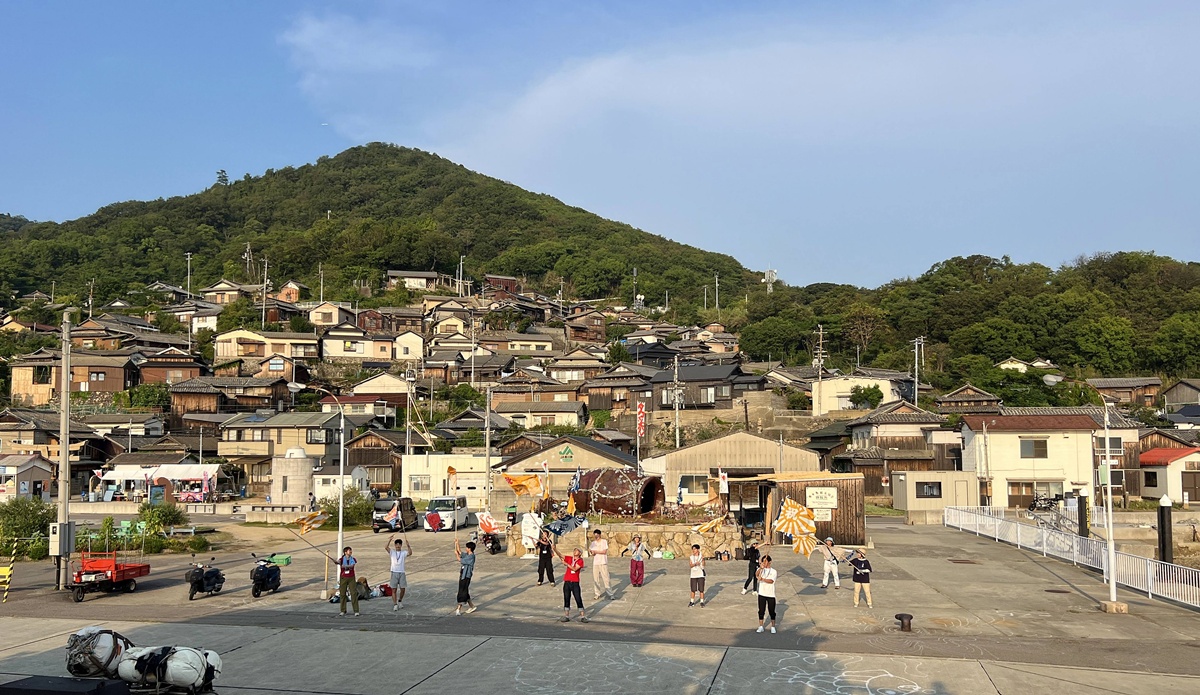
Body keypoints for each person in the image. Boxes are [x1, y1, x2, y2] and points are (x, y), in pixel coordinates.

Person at [553, 543, 589, 622]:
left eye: (577, 550)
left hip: (575, 582)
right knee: (566, 598)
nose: (575, 551)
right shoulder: (570, 558)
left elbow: (574, 569)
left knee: (578, 598)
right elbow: (561, 555)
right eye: (574, 550)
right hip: (567, 581)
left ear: (580, 553)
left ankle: (583, 616)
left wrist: (566, 564)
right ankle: (566, 615)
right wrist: (554, 549)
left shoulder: (580, 561)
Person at [386, 536, 411, 611]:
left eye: (399, 544)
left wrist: (408, 546)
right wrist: (389, 540)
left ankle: (400, 600)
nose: (398, 546)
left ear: (401, 545)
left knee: (403, 588)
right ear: (395, 545)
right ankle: (395, 604)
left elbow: (410, 553)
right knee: (394, 589)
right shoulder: (392, 552)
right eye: (396, 544)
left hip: (401, 572)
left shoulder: (403, 553)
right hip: (394, 572)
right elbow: (386, 547)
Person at [454, 538, 477, 615]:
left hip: (466, 576)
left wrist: (456, 555)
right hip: (463, 575)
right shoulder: (467, 555)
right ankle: (472, 606)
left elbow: (460, 559)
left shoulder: (471, 557)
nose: (466, 549)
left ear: (469, 549)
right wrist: (457, 543)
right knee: (465, 591)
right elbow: (460, 552)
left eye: (467, 548)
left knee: (462, 591)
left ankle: (458, 608)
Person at [588, 529, 614, 600]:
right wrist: (592, 552)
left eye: (597, 535)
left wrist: (595, 551)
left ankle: (610, 594)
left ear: (599, 535)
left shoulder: (604, 541)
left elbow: (604, 551)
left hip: (603, 562)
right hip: (596, 563)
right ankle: (597, 593)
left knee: (606, 578)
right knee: (596, 579)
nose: (596, 536)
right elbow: (592, 552)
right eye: (595, 535)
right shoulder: (593, 543)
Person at [755, 554, 778, 633]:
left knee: (772, 611)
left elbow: (771, 581)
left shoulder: (773, 571)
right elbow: (756, 574)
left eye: (765, 561)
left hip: (770, 594)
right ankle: (761, 626)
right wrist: (761, 569)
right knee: (761, 611)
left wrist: (763, 579)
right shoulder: (761, 569)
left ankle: (773, 626)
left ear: (770, 562)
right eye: (763, 561)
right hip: (762, 593)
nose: (764, 563)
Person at [336, 546, 359, 617]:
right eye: (349, 551)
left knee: (353, 593)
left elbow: (352, 566)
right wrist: (337, 562)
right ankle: (343, 610)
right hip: (343, 577)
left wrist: (345, 566)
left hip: (351, 577)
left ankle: (356, 610)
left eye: (351, 550)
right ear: (345, 552)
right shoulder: (342, 559)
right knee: (342, 594)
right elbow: (338, 562)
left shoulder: (353, 559)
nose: (351, 552)